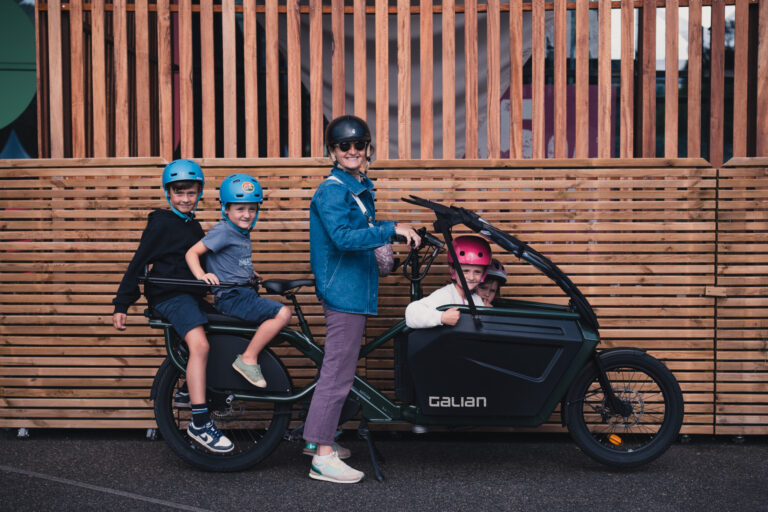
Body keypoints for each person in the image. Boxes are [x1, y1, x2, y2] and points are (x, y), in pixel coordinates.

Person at [304, 115, 420, 484]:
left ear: (367, 149)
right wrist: (391, 229)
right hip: (343, 292)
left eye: (359, 145)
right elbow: (341, 236)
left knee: (339, 371)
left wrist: (392, 232)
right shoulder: (333, 190)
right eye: (344, 146)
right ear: (332, 151)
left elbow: (360, 230)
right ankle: (322, 456)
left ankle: (317, 444)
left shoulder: (355, 186)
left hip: (353, 289)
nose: (352, 151)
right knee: (337, 375)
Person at [111, 159, 233, 453]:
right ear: (169, 194)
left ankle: (187, 390)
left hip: (190, 295)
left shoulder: (194, 226)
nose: (185, 199)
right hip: (169, 297)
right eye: (178, 193)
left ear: (199, 193)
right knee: (200, 345)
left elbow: (205, 263)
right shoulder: (161, 223)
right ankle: (200, 422)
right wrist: (122, 303)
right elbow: (139, 261)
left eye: (191, 193)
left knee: (226, 330)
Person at [186, 173, 292, 388]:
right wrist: (201, 275)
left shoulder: (240, 232)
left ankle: (258, 345)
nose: (247, 215)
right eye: (240, 209)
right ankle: (248, 358)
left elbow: (232, 260)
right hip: (232, 297)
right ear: (226, 209)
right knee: (283, 313)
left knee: (278, 322)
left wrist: (250, 272)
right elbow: (192, 253)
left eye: (252, 209)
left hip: (243, 292)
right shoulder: (223, 231)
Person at [405, 235, 491, 329]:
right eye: (465, 271)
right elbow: (411, 313)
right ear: (453, 270)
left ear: (484, 274)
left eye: (477, 272)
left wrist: (488, 313)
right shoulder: (446, 295)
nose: (471, 277)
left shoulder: (477, 300)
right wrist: (441, 317)